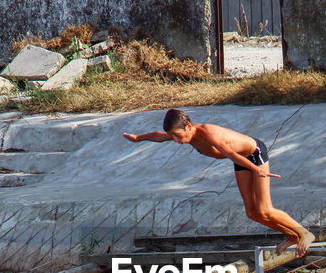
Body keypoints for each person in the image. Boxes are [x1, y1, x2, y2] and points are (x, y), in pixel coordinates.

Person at [123, 109, 315, 258]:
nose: (175, 140)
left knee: (265, 209)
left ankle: (304, 233)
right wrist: (138, 138)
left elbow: (230, 153)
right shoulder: (184, 134)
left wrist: (257, 170)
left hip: (254, 155)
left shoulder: (207, 133)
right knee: (252, 213)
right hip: (241, 160)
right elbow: (159, 136)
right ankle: (291, 236)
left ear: (188, 126)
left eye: (177, 136)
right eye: (172, 136)